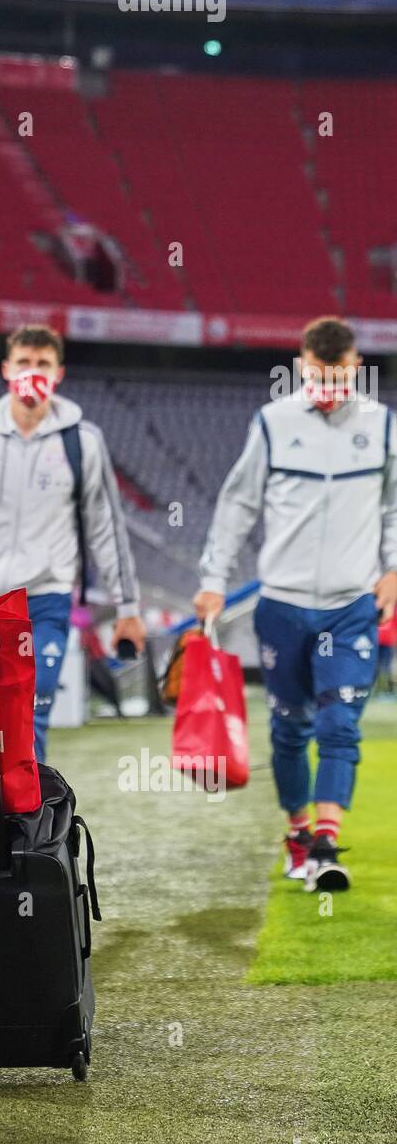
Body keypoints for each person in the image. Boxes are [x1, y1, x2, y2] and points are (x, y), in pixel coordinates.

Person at [195, 317, 397, 892]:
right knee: (289, 729)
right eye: (316, 374)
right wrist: (213, 578)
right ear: (303, 367)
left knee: (340, 725)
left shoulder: (383, 428)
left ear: (356, 367)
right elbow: (237, 506)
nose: (327, 385)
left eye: (337, 374)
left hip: (350, 605)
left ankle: (326, 846)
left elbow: (392, 508)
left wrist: (393, 569)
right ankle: (298, 833)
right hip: (280, 606)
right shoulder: (274, 424)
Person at [0, 325, 144, 758]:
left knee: (32, 707)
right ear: (6, 369)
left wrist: (128, 609)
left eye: (43, 364)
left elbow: (106, 527)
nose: (33, 372)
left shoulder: (82, 442)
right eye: (24, 363)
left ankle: (28, 820)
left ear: (59, 373)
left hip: (44, 600)